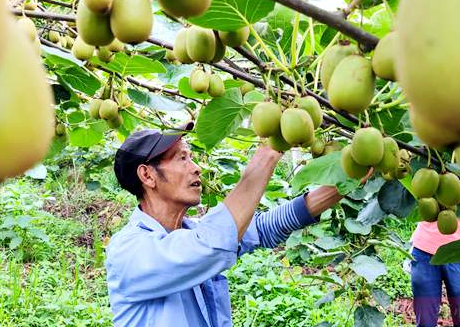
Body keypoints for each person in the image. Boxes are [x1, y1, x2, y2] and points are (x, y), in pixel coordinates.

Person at [105, 124, 343, 326]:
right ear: (147, 176)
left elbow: (261, 229)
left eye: (191, 156)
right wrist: (269, 151)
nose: (196, 167)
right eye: (182, 158)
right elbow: (212, 244)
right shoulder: (129, 251)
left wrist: (342, 182)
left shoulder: (192, 232)